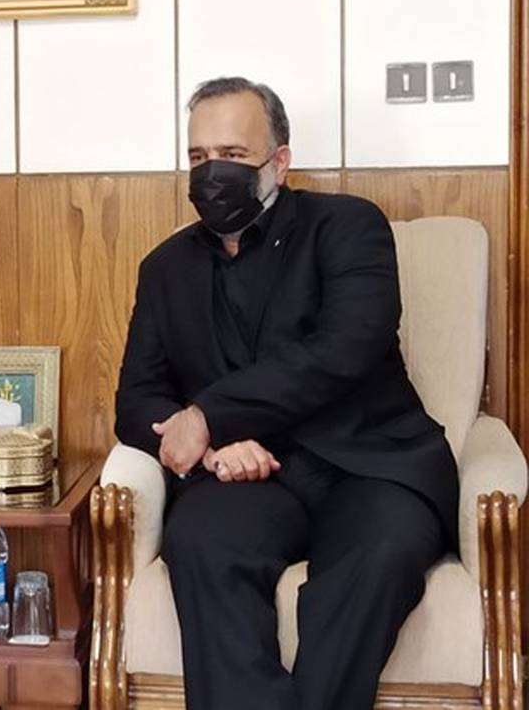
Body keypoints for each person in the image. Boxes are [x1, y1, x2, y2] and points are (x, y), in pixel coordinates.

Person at [114, 77, 458, 710]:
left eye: (232, 155)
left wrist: (209, 415)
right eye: (198, 157)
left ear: (280, 160)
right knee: (201, 542)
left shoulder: (348, 226)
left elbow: (346, 348)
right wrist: (210, 450)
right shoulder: (164, 268)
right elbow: (137, 399)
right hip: (244, 476)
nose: (212, 172)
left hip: (369, 466)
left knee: (378, 556)